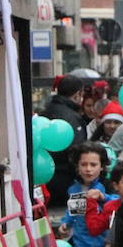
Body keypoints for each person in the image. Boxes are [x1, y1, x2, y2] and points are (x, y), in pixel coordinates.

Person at [42, 75, 89, 206]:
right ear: (77, 94)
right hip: (66, 181)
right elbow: (78, 150)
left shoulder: (45, 113)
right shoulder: (73, 118)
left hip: (44, 180)